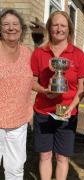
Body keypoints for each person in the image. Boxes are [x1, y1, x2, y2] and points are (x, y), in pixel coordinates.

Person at [31, 11, 84, 180]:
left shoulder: (78, 55)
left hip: (67, 113)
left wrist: (71, 108)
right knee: (45, 155)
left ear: (69, 29)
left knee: (62, 157)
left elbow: (81, 88)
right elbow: (32, 82)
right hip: (43, 111)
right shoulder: (39, 53)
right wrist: (44, 91)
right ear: (49, 27)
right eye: (55, 25)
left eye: (63, 25)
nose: (59, 29)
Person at [0, 8, 33, 180]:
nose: (11, 28)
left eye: (15, 24)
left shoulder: (27, 53)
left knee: (16, 168)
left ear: (21, 28)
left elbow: (30, 81)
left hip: (19, 120)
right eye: (6, 24)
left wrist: (46, 90)